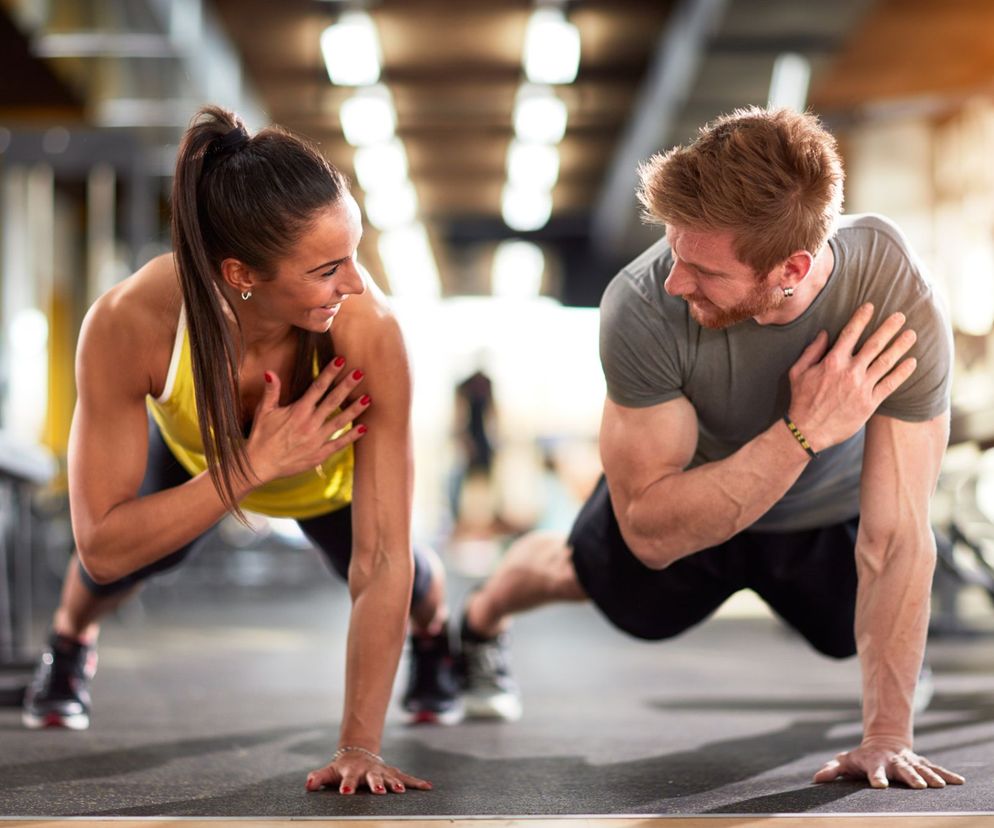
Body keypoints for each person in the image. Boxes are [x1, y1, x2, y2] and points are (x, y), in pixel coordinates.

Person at [458, 106, 966, 790]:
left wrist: (886, 735)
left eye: (702, 270)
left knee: (867, 619)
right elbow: (650, 536)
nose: (675, 280)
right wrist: (803, 431)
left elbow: (898, 538)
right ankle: (480, 620)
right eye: (673, 251)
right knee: (576, 573)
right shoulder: (639, 305)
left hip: (820, 518)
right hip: (687, 503)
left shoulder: (894, 292)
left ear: (792, 266)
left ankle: (895, 660)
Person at [21, 105, 462, 795]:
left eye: (356, 252)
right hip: (204, 456)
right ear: (239, 273)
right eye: (326, 268)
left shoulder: (369, 330)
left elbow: (380, 560)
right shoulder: (129, 322)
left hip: (325, 472)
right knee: (126, 563)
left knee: (410, 580)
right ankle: (70, 642)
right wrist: (251, 466)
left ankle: (438, 641)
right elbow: (101, 542)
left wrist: (359, 745)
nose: (353, 281)